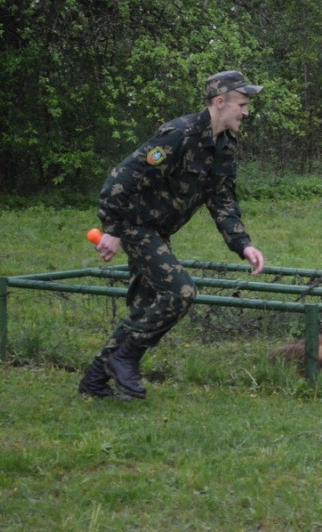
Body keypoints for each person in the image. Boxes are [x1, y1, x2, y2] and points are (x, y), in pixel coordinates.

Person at [78, 70, 265, 401]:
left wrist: (243, 245)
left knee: (144, 308)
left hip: (158, 230)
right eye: (242, 104)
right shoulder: (178, 134)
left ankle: (95, 380)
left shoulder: (224, 147)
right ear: (220, 102)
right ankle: (125, 359)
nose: (246, 112)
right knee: (181, 293)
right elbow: (121, 179)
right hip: (135, 225)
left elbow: (223, 202)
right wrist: (113, 229)